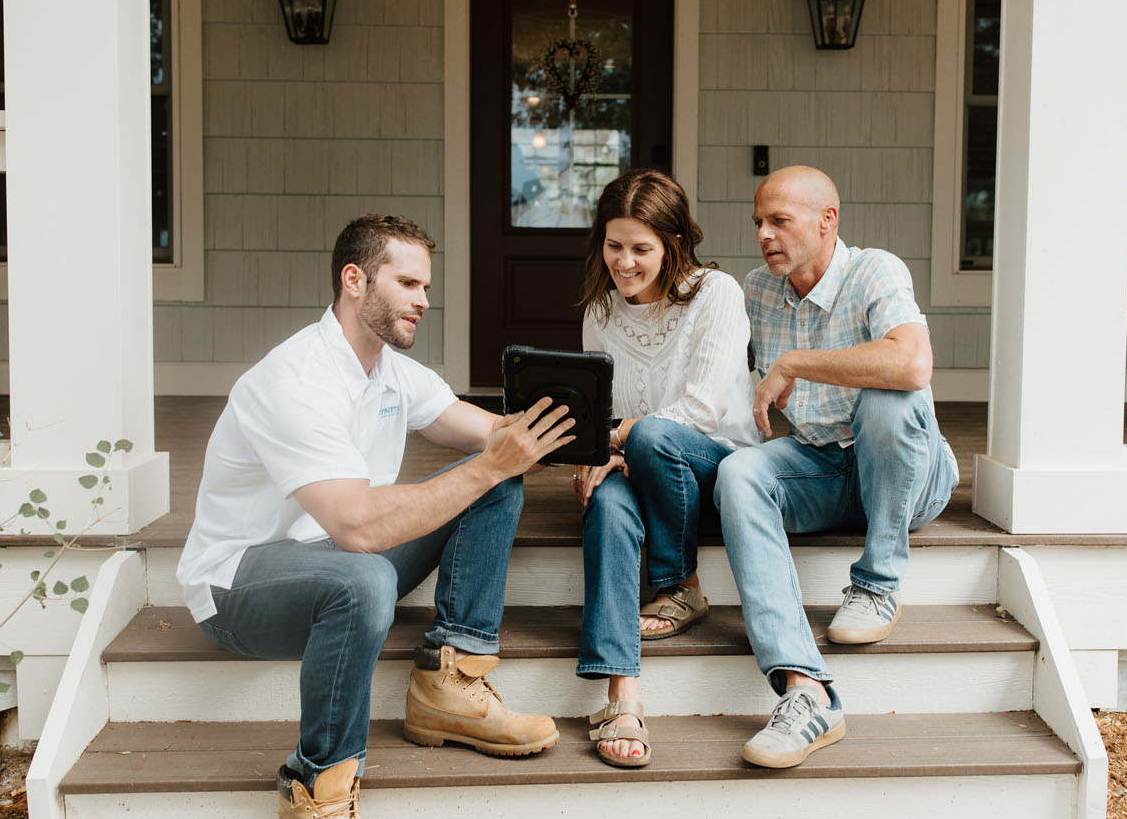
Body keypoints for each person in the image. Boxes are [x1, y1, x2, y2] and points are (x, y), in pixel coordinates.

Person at [176, 215, 575, 818]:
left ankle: (451, 679)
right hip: (238, 584)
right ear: (355, 279)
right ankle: (321, 786)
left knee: (494, 481)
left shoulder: (390, 370)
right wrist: (494, 461)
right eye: (409, 284)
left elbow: (493, 433)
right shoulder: (295, 381)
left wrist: (604, 443)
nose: (423, 301)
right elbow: (357, 528)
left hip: (339, 557)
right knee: (366, 576)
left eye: (426, 288)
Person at [714, 166, 959, 770]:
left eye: (779, 221)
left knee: (886, 396)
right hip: (825, 466)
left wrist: (796, 362)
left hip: (909, 475)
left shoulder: (874, 269)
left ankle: (877, 583)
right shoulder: (757, 290)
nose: (764, 235)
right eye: (758, 224)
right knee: (739, 473)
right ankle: (806, 691)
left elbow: (911, 365)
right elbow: (722, 383)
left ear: (828, 220)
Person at [571, 169, 760, 768]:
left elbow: (701, 411)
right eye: (614, 244)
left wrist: (617, 438)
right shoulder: (600, 310)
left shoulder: (717, 293)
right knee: (606, 502)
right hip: (641, 457)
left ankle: (679, 583)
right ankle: (620, 692)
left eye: (641, 249)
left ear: (673, 243)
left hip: (714, 465)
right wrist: (599, 454)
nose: (624, 262)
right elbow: (602, 408)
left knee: (654, 433)